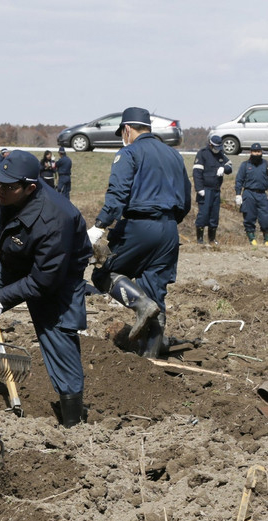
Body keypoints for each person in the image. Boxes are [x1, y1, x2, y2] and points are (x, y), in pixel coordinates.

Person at [0, 150, 92, 427]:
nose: (0, 189)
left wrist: (2, 298)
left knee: (59, 340)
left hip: (56, 278)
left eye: (9, 186)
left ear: (30, 187)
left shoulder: (56, 219)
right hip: (14, 264)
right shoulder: (6, 188)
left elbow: (43, 280)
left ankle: (73, 422)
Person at [87, 107, 192, 359]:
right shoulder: (174, 156)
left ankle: (141, 306)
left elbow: (118, 194)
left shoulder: (129, 152)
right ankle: (151, 359)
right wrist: (167, 222)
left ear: (127, 129)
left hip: (139, 225)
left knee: (103, 275)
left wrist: (100, 225)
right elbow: (186, 200)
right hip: (169, 229)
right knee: (156, 290)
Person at [192, 134, 233, 245]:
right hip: (205, 190)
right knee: (203, 214)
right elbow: (197, 173)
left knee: (214, 216)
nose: (217, 149)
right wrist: (199, 188)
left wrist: (224, 168)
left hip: (216, 190)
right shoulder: (202, 154)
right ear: (210, 144)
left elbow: (230, 166)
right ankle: (200, 239)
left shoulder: (220, 154)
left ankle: (212, 239)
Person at [235, 142, 268, 245]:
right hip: (249, 194)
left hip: (262, 194)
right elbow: (239, 180)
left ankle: (266, 239)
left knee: (265, 218)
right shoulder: (245, 165)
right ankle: (252, 239)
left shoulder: (266, 164)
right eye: (254, 151)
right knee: (249, 217)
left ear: (261, 152)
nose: (256, 154)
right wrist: (238, 194)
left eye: (258, 152)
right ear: (251, 152)